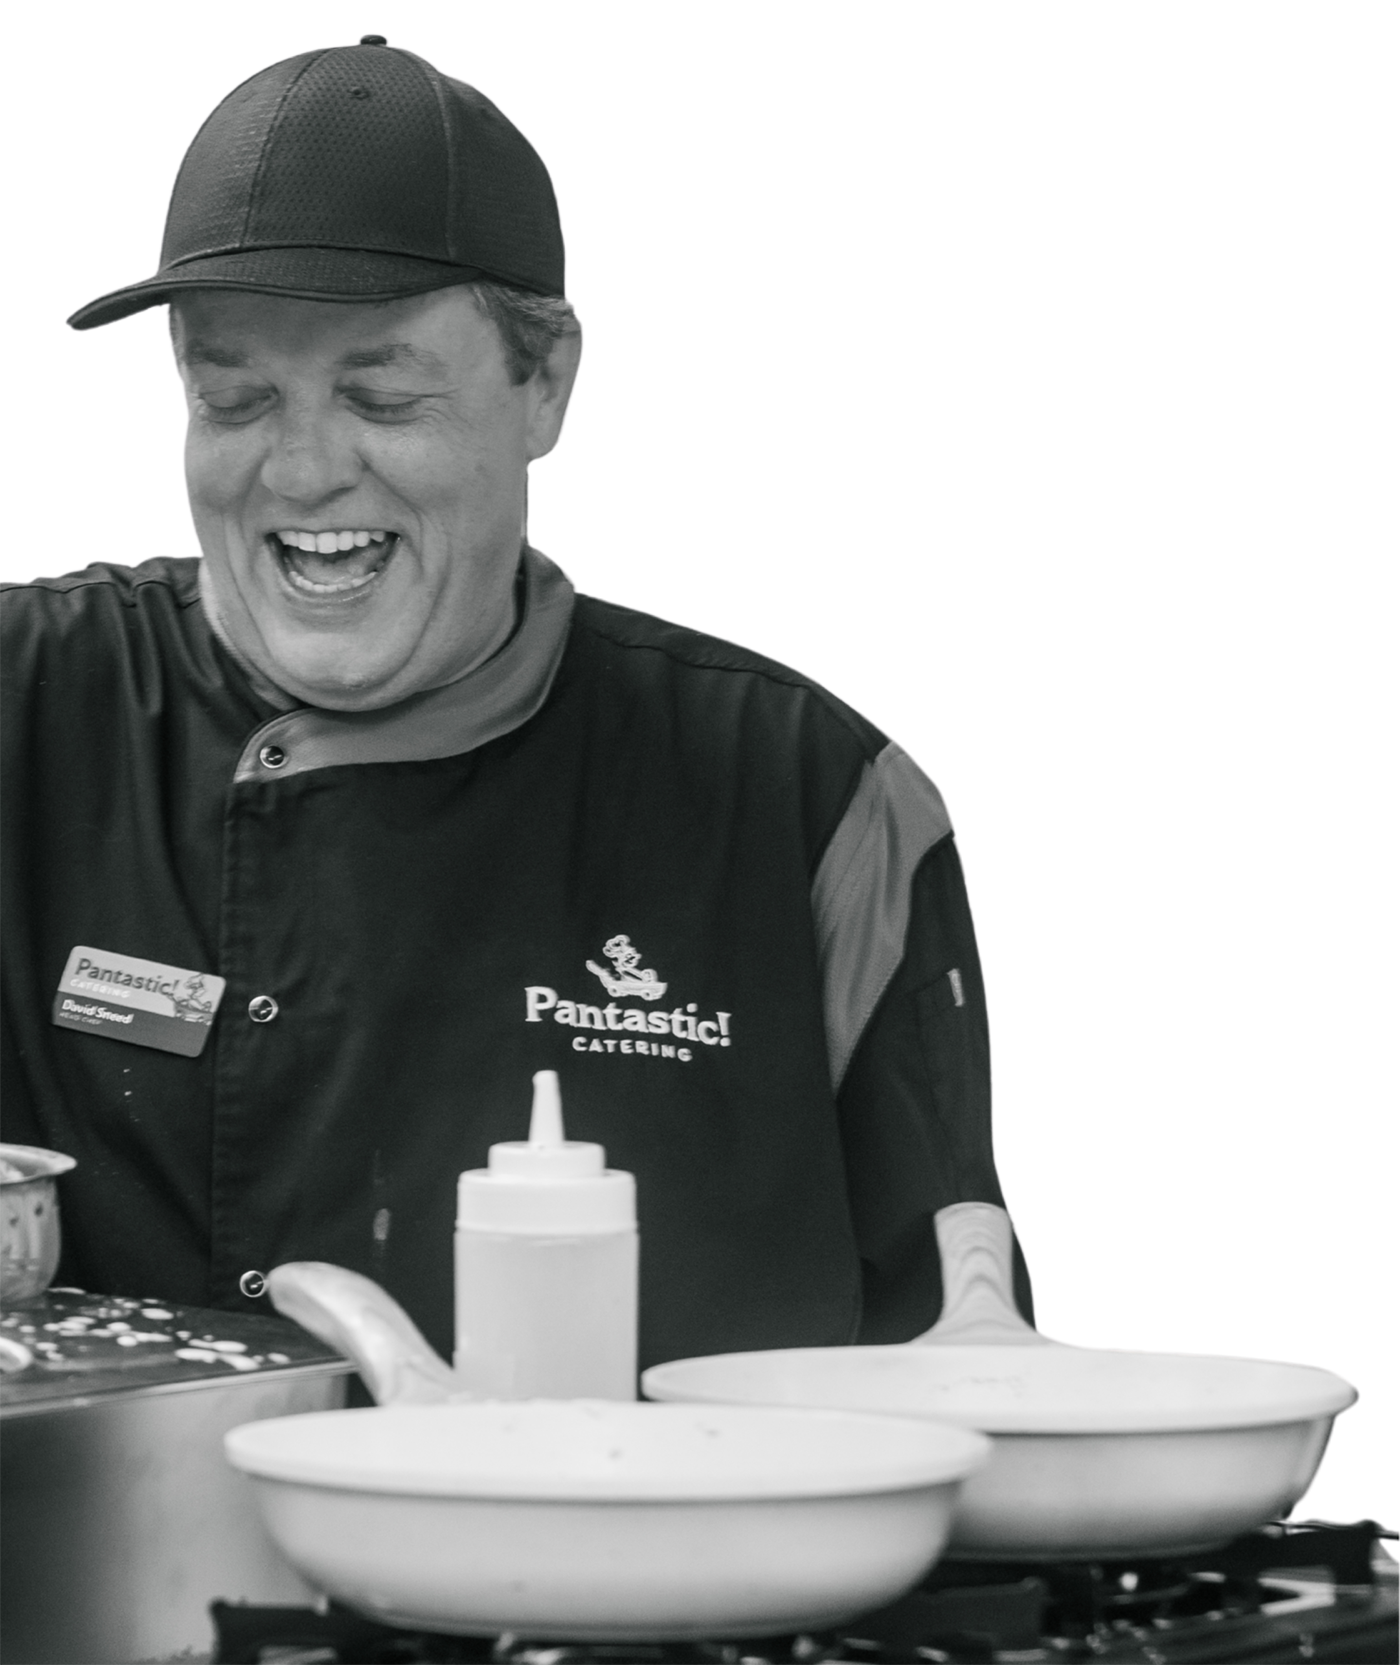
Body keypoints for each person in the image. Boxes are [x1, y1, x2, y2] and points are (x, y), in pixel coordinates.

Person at [0, 36, 1034, 1373]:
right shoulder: (27, 707)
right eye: (235, 396)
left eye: (380, 393)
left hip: (651, 1576)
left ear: (545, 386)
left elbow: (963, 1365)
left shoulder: (809, 804)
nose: (303, 469)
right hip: (95, 1567)